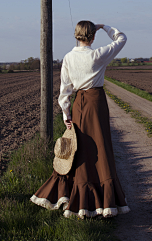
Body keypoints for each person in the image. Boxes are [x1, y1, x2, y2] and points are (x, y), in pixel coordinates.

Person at [30, 21, 130, 219]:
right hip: (96, 104)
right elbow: (122, 38)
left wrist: (67, 115)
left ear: (76, 36)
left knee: (80, 150)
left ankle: (81, 200)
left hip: (78, 105)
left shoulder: (68, 57)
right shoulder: (98, 55)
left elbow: (65, 91)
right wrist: (105, 27)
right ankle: (104, 202)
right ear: (92, 37)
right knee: (101, 148)